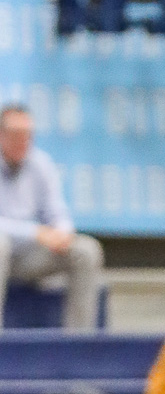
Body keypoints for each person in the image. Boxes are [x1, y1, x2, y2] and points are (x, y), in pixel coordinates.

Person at [0, 103, 104, 330]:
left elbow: (58, 212)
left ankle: (78, 343)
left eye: (28, 134)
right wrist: (35, 232)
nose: (22, 141)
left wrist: (62, 233)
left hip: (28, 259)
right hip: (4, 252)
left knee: (86, 250)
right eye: (16, 134)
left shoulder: (41, 164)